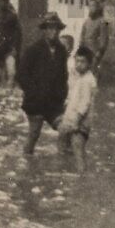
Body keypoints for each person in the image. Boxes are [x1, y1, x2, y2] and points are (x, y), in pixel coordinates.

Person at [17, 13, 69, 156]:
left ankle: (62, 160)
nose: (54, 32)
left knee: (66, 128)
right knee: (34, 134)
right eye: (50, 28)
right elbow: (21, 75)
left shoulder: (61, 50)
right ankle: (27, 159)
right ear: (44, 30)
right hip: (36, 103)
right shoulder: (33, 49)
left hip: (54, 103)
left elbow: (63, 76)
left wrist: (62, 95)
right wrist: (33, 92)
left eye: (57, 29)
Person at [58, 46, 98, 165]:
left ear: (90, 64)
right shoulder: (81, 78)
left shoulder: (87, 80)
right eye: (77, 61)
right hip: (72, 119)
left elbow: (84, 103)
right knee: (64, 143)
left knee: (77, 149)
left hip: (79, 122)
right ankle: (67, 169)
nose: (79, 64)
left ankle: (81, 175)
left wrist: (77, 121)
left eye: (83, 62)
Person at [79, 0, 111, 72]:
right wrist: (80, 49)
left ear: (98, 8)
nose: (91, 8)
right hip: (85, 51)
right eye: (90, 6)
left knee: (92, 72)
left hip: (95, 52)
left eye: (94, 6)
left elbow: (104, 39)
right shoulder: (86, 22)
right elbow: (82, 36)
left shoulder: (102, 22)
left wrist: (99, 53)